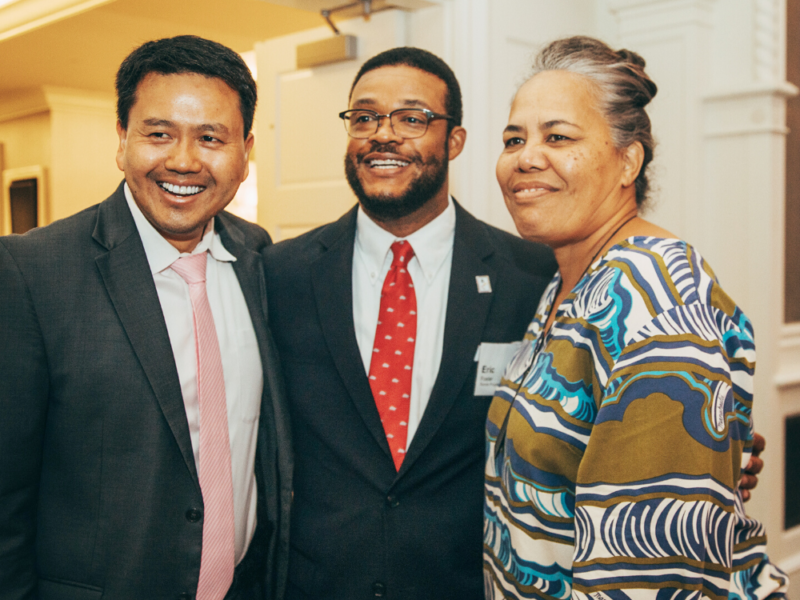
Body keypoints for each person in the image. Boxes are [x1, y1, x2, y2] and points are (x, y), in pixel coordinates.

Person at [483, 36, 788, 599]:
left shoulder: (654, 298)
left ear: (629, 160)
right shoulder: (565, 285)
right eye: (513, 138)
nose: (526, 156)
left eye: (558, 136)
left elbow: (649, 577)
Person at [0, 35, 291, 600]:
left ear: (246, 152)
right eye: (158, 133)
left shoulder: (258, 256)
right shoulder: (31, 273)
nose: (183, 160)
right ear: (122, 140)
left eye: (211, 138)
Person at [264, 48, 557, 599]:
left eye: (412, 118)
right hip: (318, 584)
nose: (384, 134)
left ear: (455, 141)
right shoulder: (280, 273)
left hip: (464, 583)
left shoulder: (530, 275)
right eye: (365, 117)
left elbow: (576, 409)